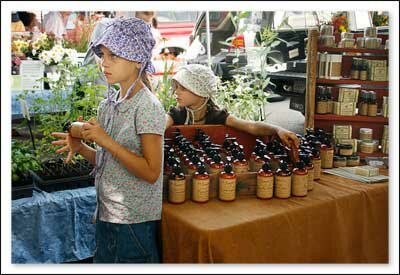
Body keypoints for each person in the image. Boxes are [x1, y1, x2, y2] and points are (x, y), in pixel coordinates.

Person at [51, 17, 165, 263]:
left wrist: (106, 141)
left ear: (137, 61)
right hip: (108, 215)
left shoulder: (147, 107)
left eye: (114, 56)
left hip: (133, 223)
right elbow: (108, 160)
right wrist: (82, 146)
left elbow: (151, 171)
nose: (104, 63)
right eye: (102, 55)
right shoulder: (109, 104)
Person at [165, 64, 300, 148]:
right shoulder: (176, 114)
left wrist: (278, 130)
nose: (176, 92)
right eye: (176, 87)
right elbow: (159, 126)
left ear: (200, 91)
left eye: (183, 88)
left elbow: (251, 126)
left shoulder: (216, 115)